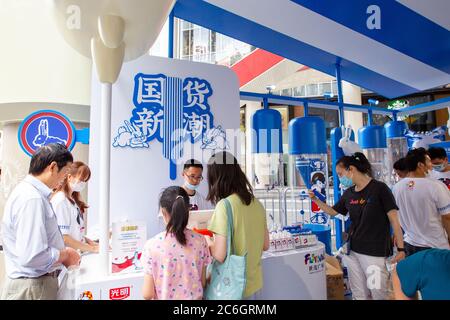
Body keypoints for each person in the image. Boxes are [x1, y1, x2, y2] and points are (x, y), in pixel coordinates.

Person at [308, 152, 405, 300]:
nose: (340, 178)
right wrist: (316, 200)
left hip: (374, 254)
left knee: (379, 293)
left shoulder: (380, 189)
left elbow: (394, 220)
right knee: (359, 295)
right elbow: (333, 212)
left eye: (340, 174)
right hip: (353, 252)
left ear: (351, 169)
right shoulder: (349, 193)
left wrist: (401, 249)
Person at [1, 143, 80, 300]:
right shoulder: (32, 199)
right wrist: (64, 255)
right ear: (53, 167)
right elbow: (32, 255)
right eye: (65, 172)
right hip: (34, 288)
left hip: (34, 286)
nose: (65, 179)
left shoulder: (31, 193)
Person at [206, 151, 269, 299]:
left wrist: (206, 241)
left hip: (232, 288)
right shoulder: (257, 204)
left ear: (217, 178)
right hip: (253, 284)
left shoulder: (224, 206)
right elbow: (265, 245)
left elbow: (220, 255)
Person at [142, 186, 211, 300]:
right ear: (187, 211)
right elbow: (202, 282)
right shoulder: (200, 241)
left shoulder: (151, 246)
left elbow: (147, 294)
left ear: (163, 212)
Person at [392, 148, 450, 257]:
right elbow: (447, 217)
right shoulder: (436, 186)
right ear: (420, 165)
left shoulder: (397, 188)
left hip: (409, 244)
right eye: (428, 161)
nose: (431, 165)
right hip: (435, 246)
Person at [51, 161, 98, 253]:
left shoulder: (72, 200)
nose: (83, 184)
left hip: (75, 254)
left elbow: (75, 232)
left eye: (85, 181)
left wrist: (92, 243)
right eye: (81, 180)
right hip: (66, 257)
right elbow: (64, 237)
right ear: (69, 177)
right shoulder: (61, 200)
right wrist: (93, 249)